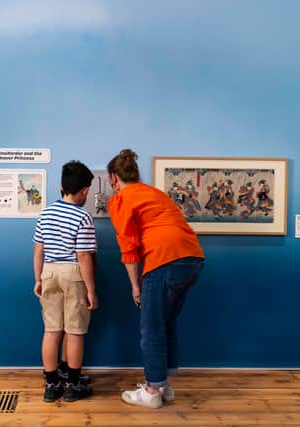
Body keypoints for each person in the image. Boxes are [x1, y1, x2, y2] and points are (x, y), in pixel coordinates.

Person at [107, 149, 205, 409]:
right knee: (165, 321)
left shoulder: (121, 199)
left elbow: (128, 248)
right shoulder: (154, 193)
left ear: (113, 178)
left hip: (163, 259)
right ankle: (165, 386)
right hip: (193, 257)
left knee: (150, 327)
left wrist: (135, 286)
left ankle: (151, 392)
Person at [33, 161, 98, 403]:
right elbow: (83, 256)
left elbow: (38, 250)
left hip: (49, 271)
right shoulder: (83, 217)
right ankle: (72, 384)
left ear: (61, 186)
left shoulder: (46, 213)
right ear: (85, 191)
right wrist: (91, 290)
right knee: (75, 330)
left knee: (51, 330)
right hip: (72, 273)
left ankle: (52, 384)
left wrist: (37, 279)